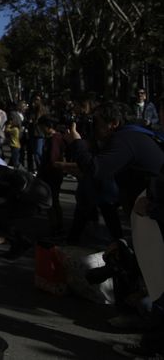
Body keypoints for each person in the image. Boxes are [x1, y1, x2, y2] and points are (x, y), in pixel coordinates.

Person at [65, 103, 164, 357]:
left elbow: (98, 170)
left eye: (97, 124)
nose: (94, 129)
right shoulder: (132, 137)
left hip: (155, 214)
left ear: (113, 124)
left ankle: (152, 344)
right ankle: (142, 321)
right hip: (149, 214)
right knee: (129, 258)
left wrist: (78, 144)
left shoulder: (125, 139)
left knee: (159, 283)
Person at [37, 116, 66, 235]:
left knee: (52, 201)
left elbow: (53, 158)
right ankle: (55, 225)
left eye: (41, 126)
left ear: (47, 126)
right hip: (51, 173)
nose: (40, 128)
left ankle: (56, 226)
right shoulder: (52, 138)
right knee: (53, 200)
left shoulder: (54, 139)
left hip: (52, 174)